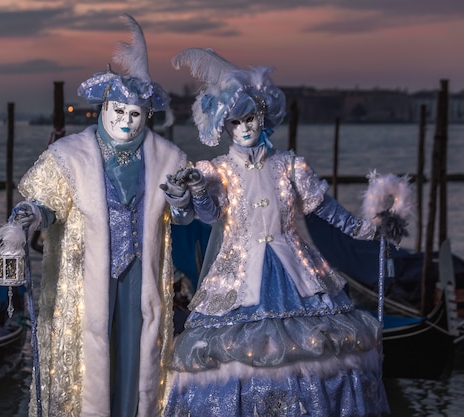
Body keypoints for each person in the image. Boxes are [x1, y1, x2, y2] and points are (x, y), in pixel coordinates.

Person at [0, 14, 189, 417]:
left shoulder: (167, 159)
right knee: (85, 367)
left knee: (137, 360)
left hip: (140, 281)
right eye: (118, 110)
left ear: (148, 117)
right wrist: (24, 219)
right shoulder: (70, 156)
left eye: (135, 114)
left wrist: (182, 199)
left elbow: (182, 216)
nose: (125, 121)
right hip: (84, 280)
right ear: (102, 108)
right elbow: (43, 205)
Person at [160, 48, 390, 417]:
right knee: (234, 356)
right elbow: (206, 215)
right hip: (238, 277)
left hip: (296, 272)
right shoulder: (216, 170)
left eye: (251, 118)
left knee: (316, 352)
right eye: (236, 123)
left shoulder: (290, 165)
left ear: (262, 117)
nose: (246, 128)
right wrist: (197, 191)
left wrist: (367, 230)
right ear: (225, 128)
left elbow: (324, 209)